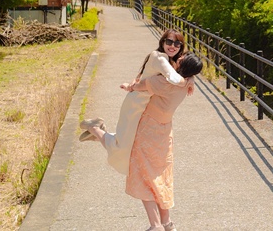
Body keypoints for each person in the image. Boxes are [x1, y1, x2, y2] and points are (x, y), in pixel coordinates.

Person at [82, 30, 203, 231]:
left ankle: (155, 225)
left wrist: (129, 86)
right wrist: (190, 79)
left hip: (147, 129)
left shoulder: (163, 81)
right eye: (170, 43)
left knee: (142, 174)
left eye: (180, 53)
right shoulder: (186, 84)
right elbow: (179, 78)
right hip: (165, 132)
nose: (176, 53)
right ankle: (167, 223)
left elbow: (140, 85)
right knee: (162, 175)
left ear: (182, 64)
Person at [79, 29, 192, 176]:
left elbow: (192, 65)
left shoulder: (172, 60)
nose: (173, 46)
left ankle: (101, 134)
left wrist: (192, 78)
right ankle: (95, 129)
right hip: (135, 105)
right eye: (169, 42)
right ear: (163, 42)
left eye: (177, 43)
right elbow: (173, 78)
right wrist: (187, 82)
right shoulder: (159, 57)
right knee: (123, 147)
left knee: (131, 142)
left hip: (145, 108)